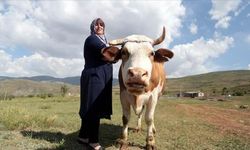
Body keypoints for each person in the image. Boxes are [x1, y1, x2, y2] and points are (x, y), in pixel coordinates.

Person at [78, 18, 113, 150]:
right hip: (94, 76)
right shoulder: (92, 39)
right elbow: (107, 52)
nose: (99, 27)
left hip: (98, 76)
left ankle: (83, 136)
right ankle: (93, 142)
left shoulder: (104, 41)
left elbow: (109, 56)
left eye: (102, 24)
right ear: (92, 27)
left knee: (90, 106)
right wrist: (121, 52)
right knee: (94, 108)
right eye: (96, 25)